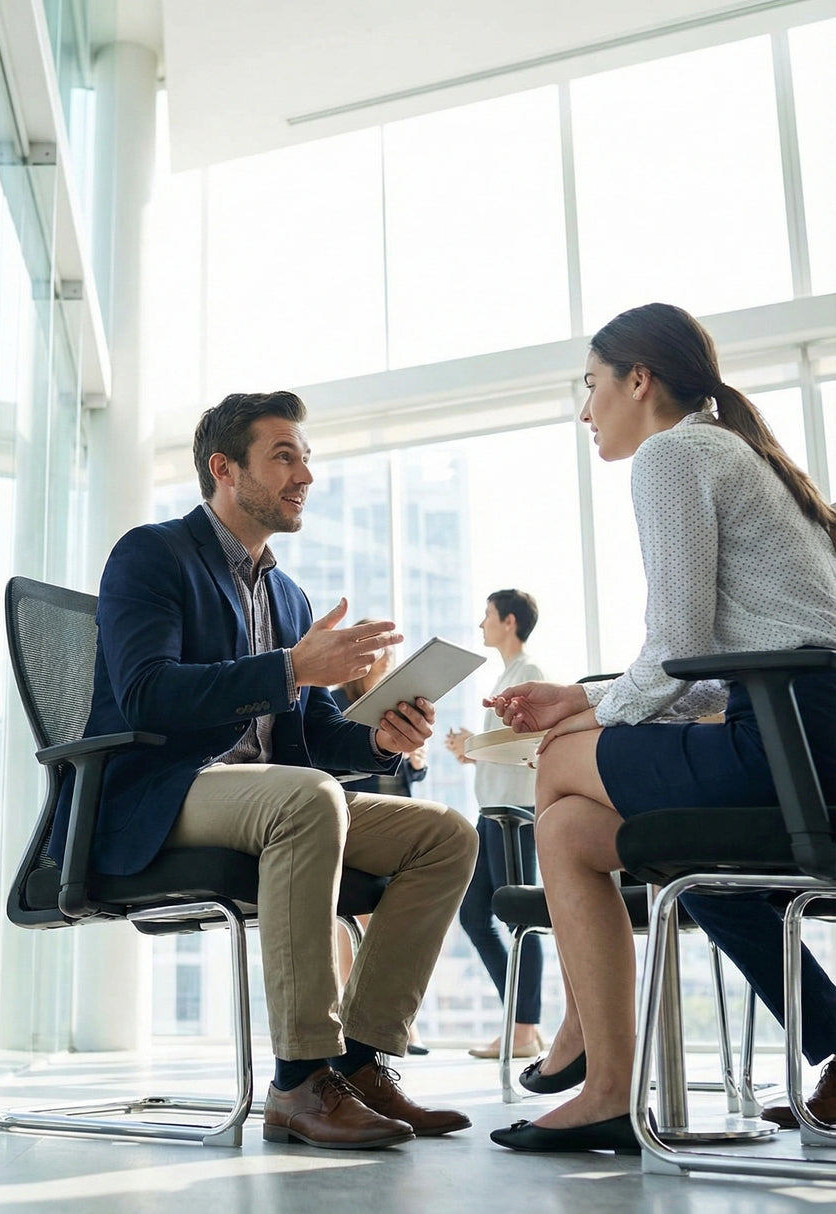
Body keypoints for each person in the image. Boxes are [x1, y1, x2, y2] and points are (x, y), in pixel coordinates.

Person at [56, 390, 478, 1149]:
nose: (305, 474)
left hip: (275, 798)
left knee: (444, 834)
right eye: (284, 456)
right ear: (224, 469)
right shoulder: (151, 556)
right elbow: (147, 693)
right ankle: (299, 1080)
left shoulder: (286, 593)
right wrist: (288, 668)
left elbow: (308, 738)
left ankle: (359, 1063)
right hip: (159, 792)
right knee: (307, 799)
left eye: (305, 456)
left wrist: (380, 738)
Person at [485, 302, 836, 1154]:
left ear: (638, 381)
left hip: (796, 746)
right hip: (807, 739)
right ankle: (603, 1070)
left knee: (560, 764)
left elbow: (678, 645)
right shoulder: (740, 453)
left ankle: (595, 1063)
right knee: (572, 826)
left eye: (592, 385)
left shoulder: (674, 454)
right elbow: (719, 665)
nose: (585, 409)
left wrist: (584, 713)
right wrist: (587, 698)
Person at [445, 589, 544, 1061]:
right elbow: (505, 751)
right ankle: (521, 1023)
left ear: (508, 621)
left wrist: (475, 743)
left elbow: (529, 744)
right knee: (472, 915)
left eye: (486, 615)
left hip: (512, 817)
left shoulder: (529, 674)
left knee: (521, 917)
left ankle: (524, 1031)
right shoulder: (506, 675)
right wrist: (474, 751)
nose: (480, 623)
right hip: (492, 814)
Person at [331, 631, 430, 1054]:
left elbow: (407, 772)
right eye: (382, 653)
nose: (389, 659)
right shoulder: (336, 700)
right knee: (355, 916)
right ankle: (353, 1015)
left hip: (394, 807)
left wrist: (417, 761)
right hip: (353, 808)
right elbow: (327, 753)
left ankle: (388, 1019)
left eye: (392, 653)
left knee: (386, 913)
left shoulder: (399, 703)